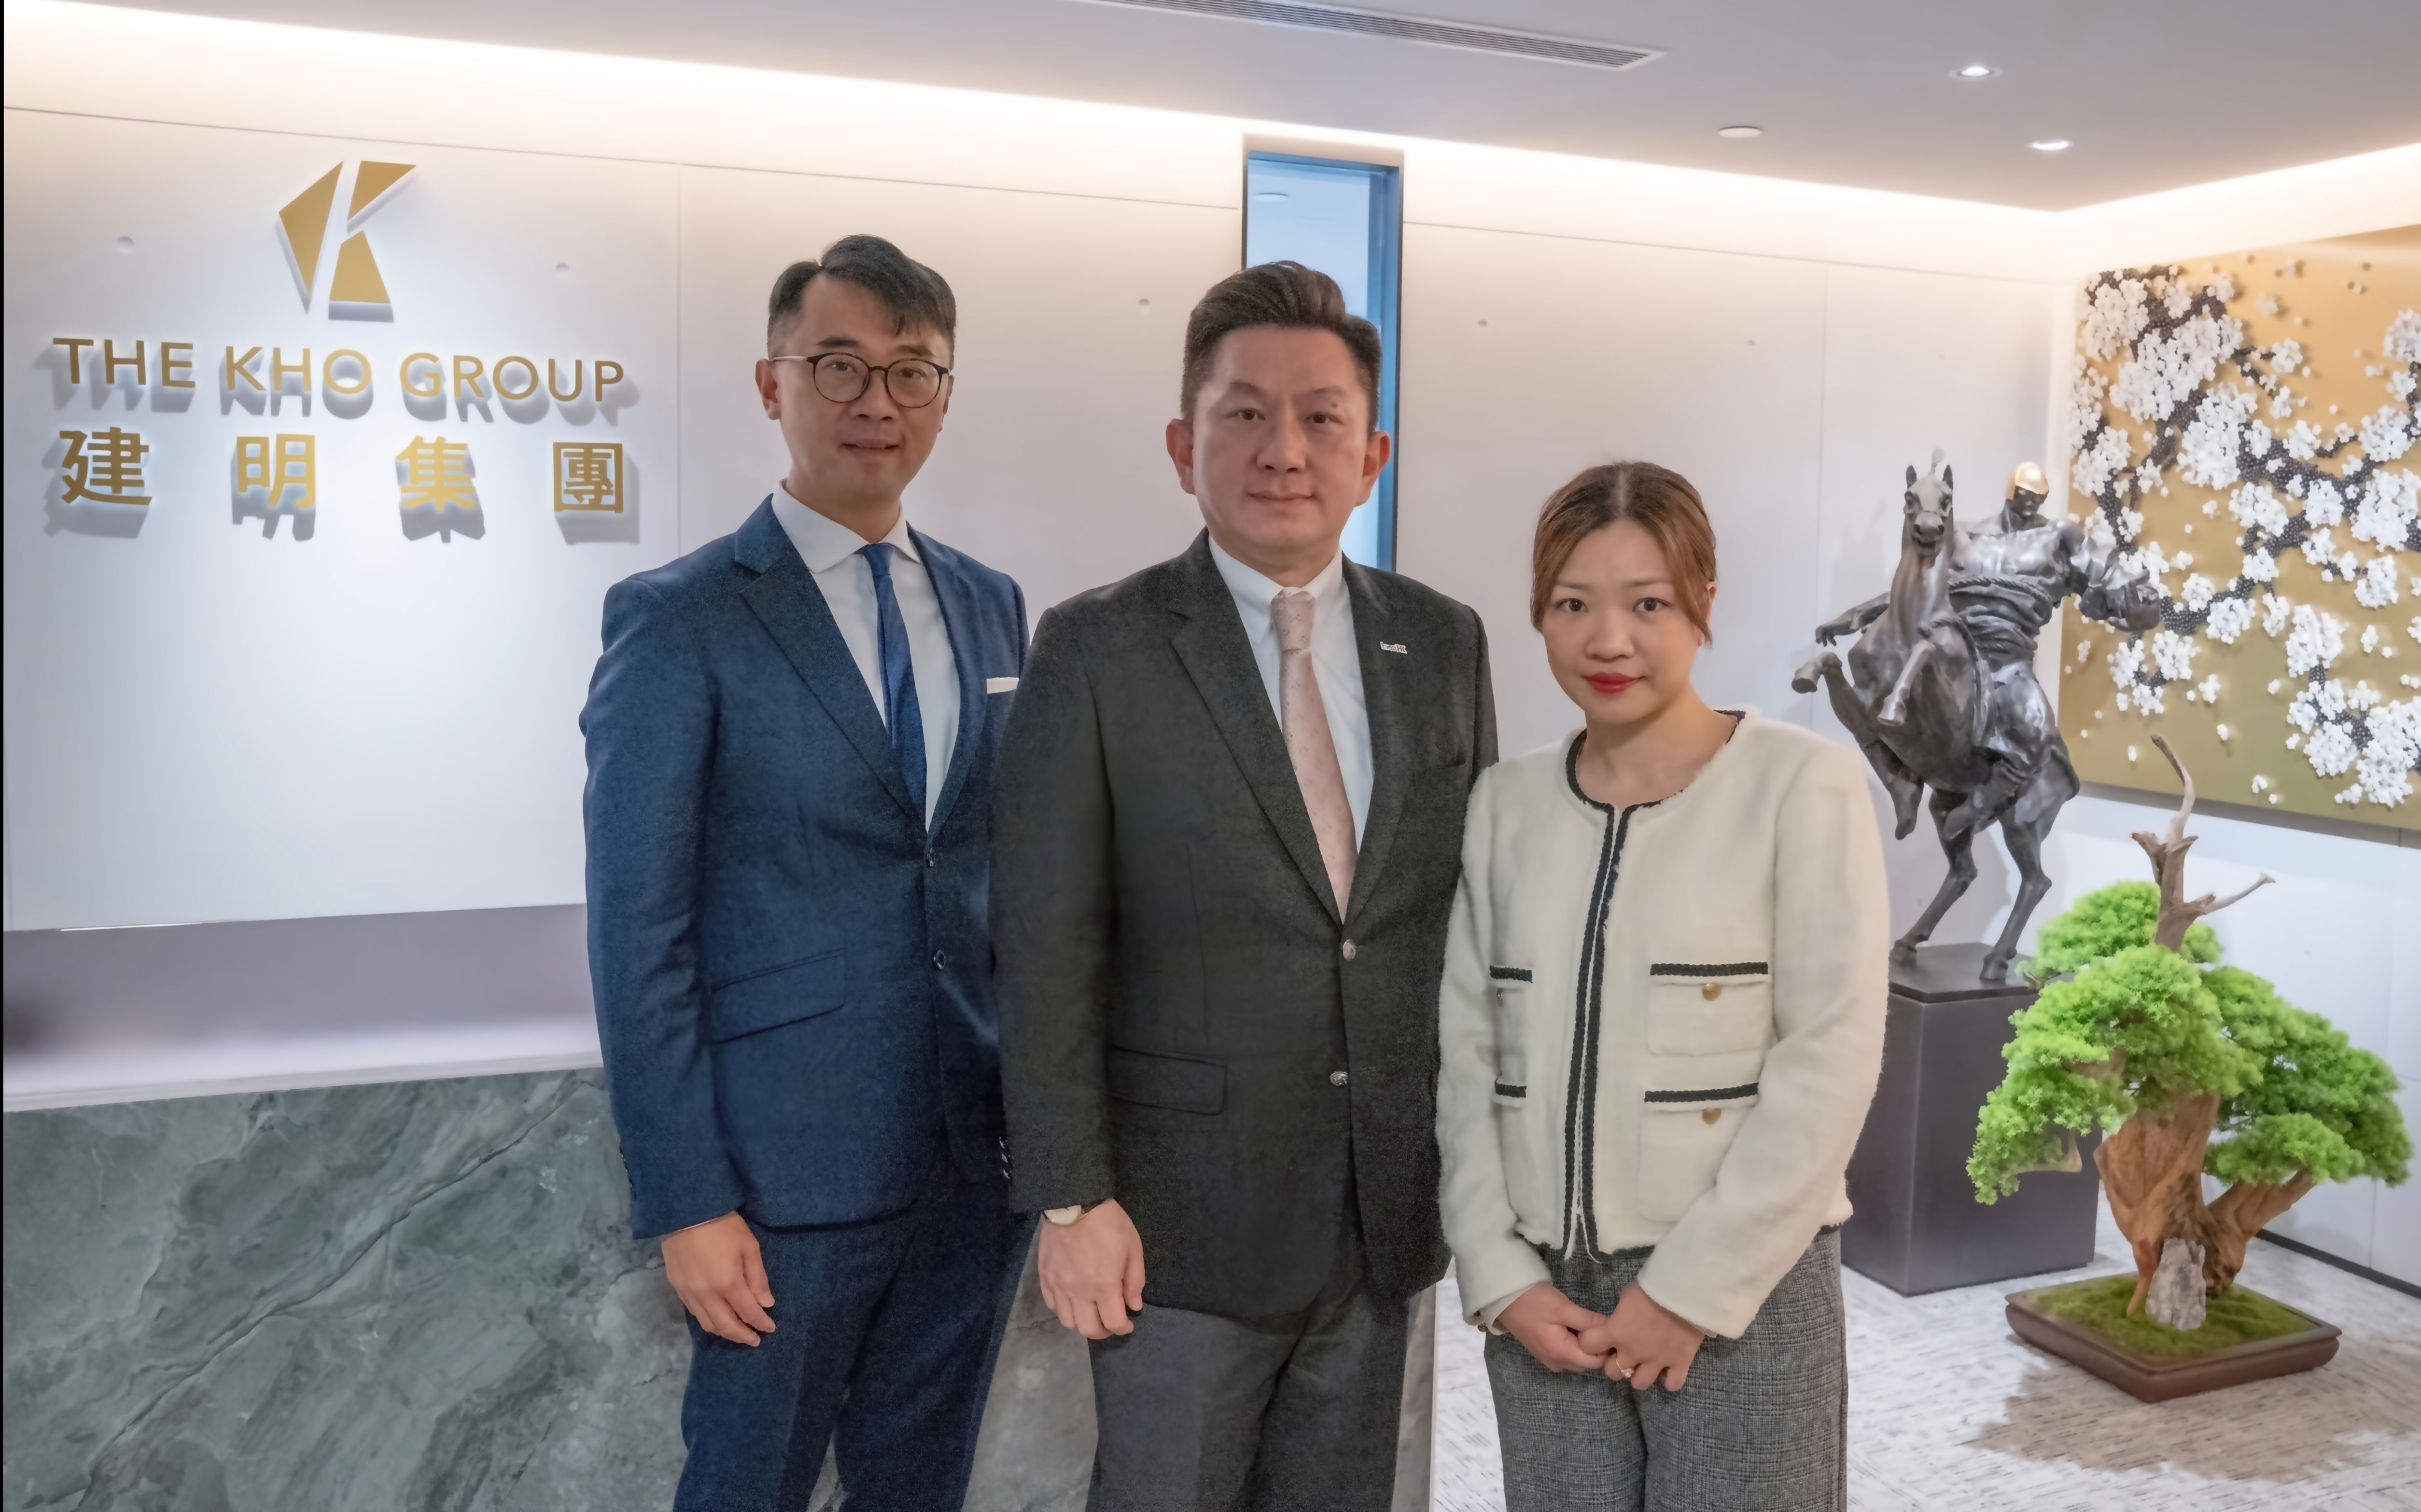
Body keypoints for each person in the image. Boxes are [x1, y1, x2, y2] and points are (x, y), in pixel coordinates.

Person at [993, 260, 1497, 1511]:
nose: (1285, 449)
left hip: (1380, 1213)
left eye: (1322, 417)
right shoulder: (1098, 646)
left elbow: (1465, 925)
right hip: (1175, 1228)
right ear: (1184, 445)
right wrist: (1071, 1197)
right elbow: (1046, 942)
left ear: (1372, 454)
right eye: (1245, 413)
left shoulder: (1442, 642)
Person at [581, 235, 1032, 1511]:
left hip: (970, 1168)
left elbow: (999, 878)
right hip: (778, 1190)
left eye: (911, 370)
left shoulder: (992, 604)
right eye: (838, 364)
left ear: (945, 394)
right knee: (746, 1487)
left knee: (920, 1488)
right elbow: (640, 935)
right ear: (771, 383)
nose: (875, 400)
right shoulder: (682, 619)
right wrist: (687, 1202)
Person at [1436, 461, 1889, 1512]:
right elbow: (1464, 1058)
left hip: (1743, 1292)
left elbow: (1830, 1060)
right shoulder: (1504, 804)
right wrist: (1499, 1274)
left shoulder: (1800, 785)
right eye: (1572, 605)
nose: (1608, 641)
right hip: (1546, 1304)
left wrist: (1688, 1293)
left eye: (1647, 604)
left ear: (1703, 601)